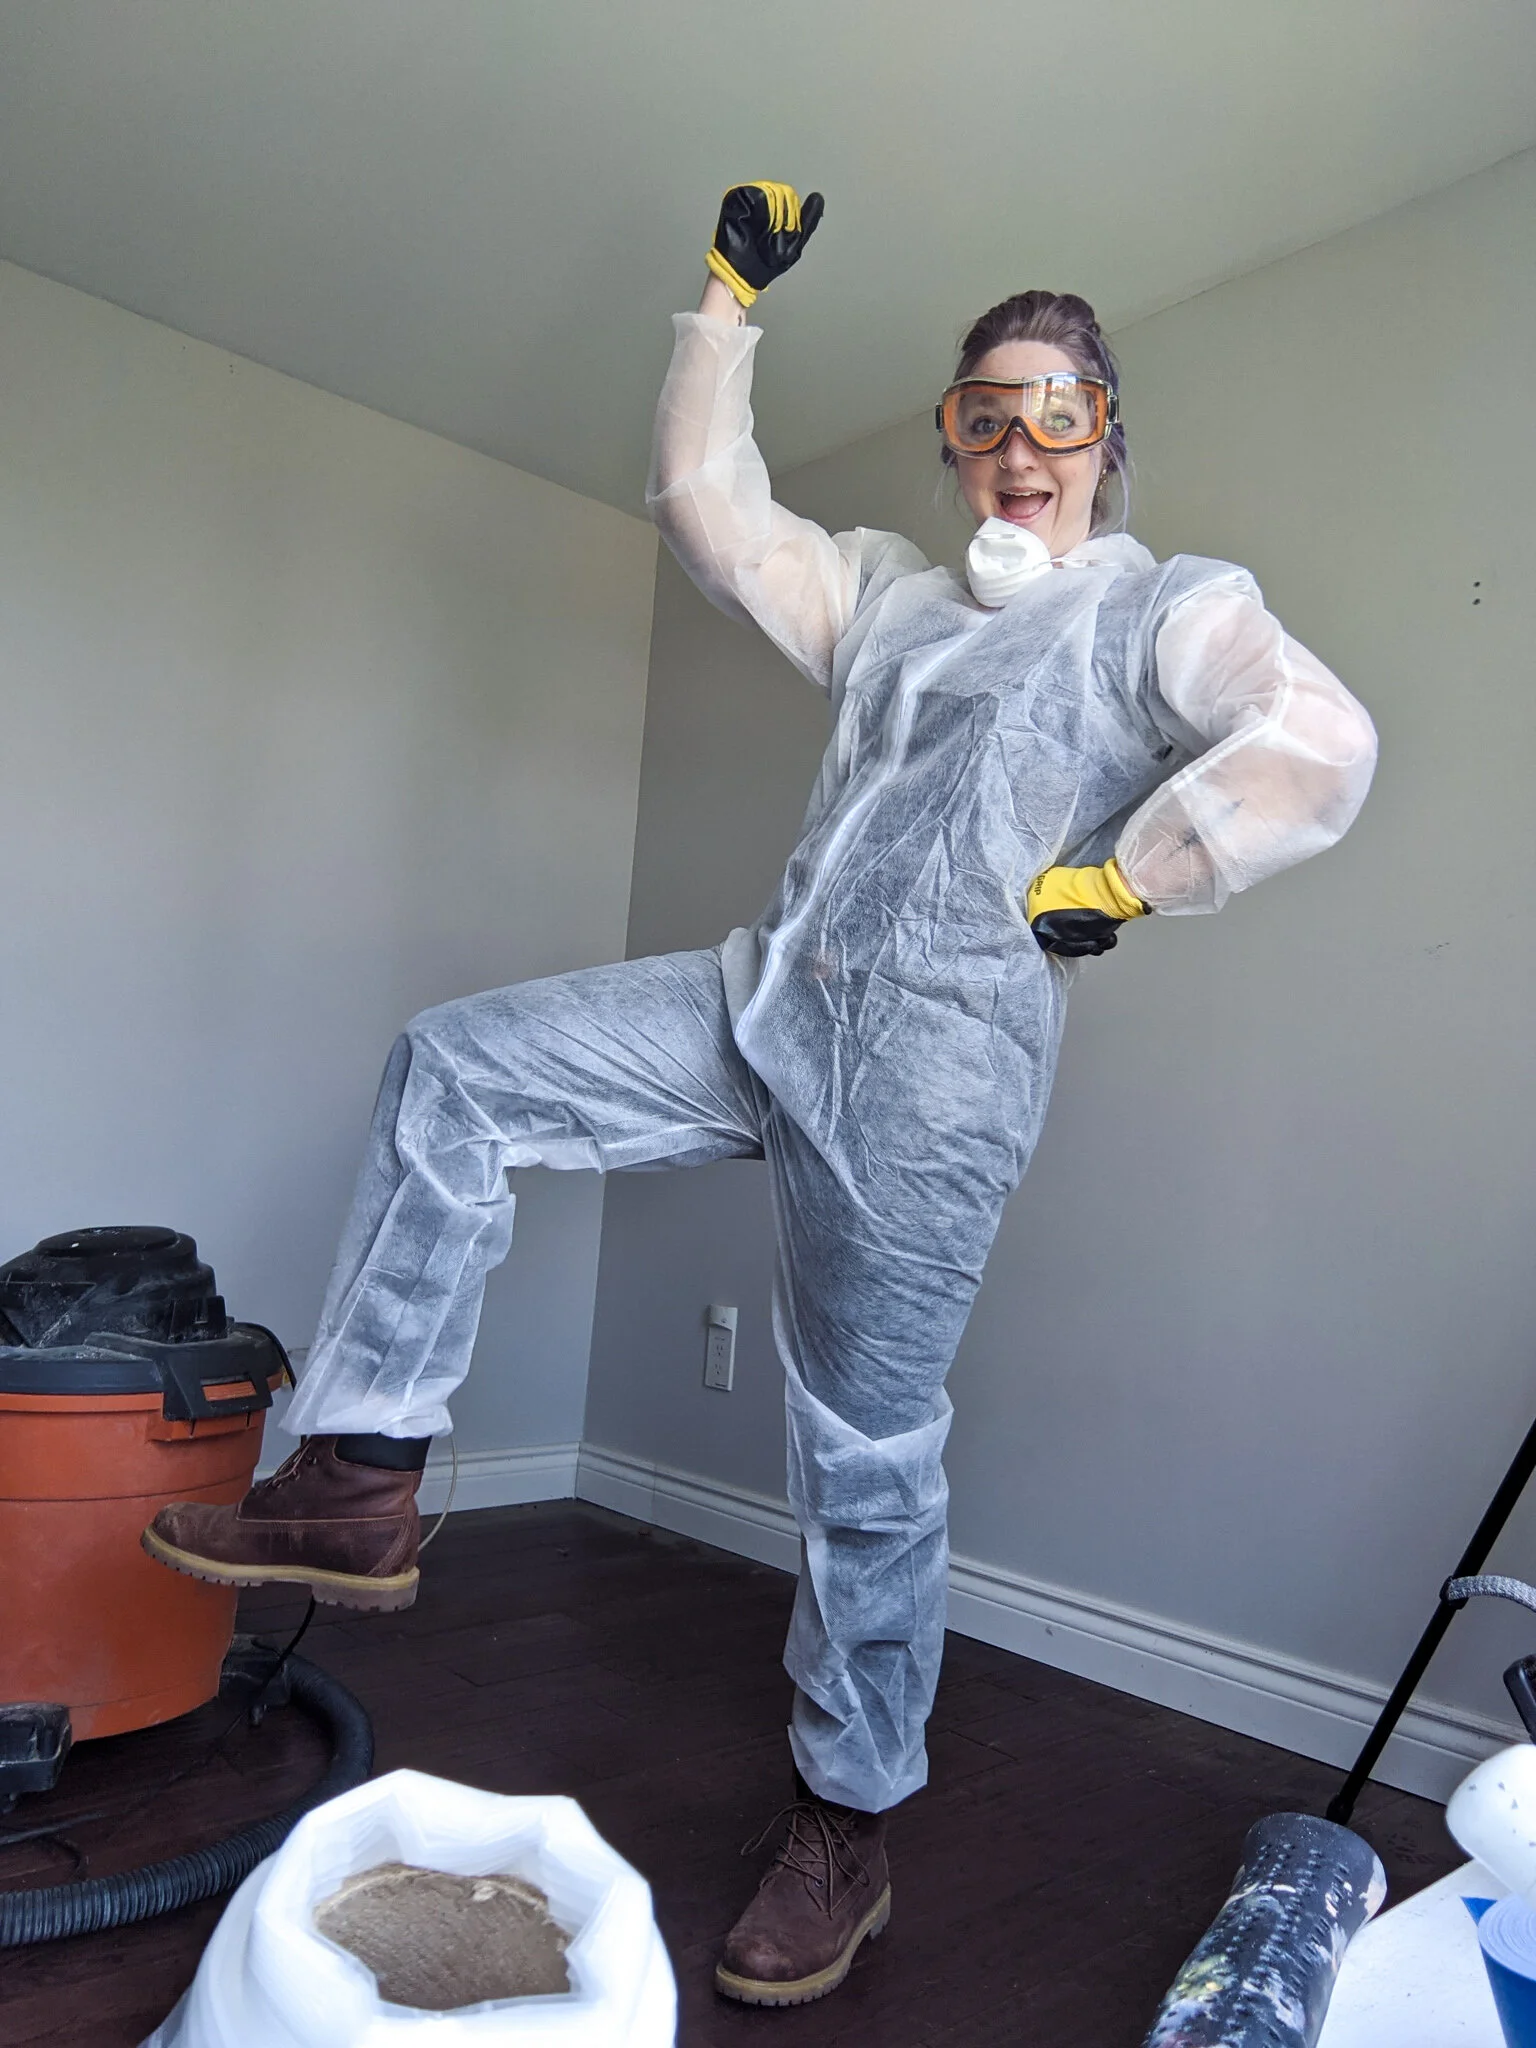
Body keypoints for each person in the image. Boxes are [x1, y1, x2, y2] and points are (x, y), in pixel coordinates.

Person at [144, 182, 1377, 2008]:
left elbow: (1319, 739)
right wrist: (725, 302)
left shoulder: (1159, 611)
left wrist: (1128, 873)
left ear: (1105, 439)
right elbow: (714, 511)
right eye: (984, 412)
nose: (1018, 446)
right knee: (458, 1065)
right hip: (761, 999)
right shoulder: (892, 599)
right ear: (955, 441)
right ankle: (359, 1474)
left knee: (863, 1461)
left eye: (1057, 412)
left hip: (931, 1084)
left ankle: (845, 1824)